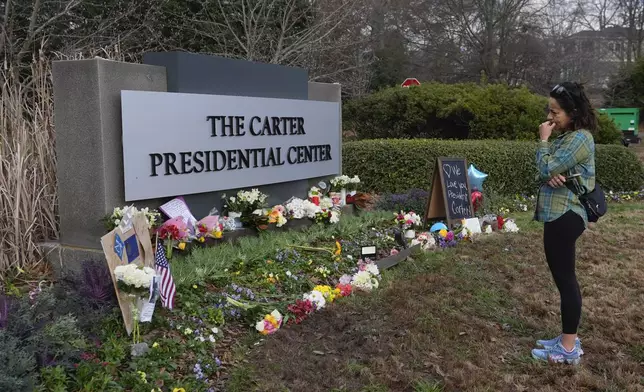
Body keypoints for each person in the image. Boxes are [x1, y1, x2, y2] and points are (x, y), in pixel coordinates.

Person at [532, 82, 597, 365]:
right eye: (550, 110)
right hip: (555, 214)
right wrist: (550, 172)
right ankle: (566, 337)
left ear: (572, 112)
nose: (550, 116)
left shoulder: (580, 139)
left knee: (566, 281)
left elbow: (546, 165)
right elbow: (543, 172)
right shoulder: (566, 138)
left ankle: (568, 348)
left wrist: (543, 142)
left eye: (555, 111)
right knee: (563, 280)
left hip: (565, 215)